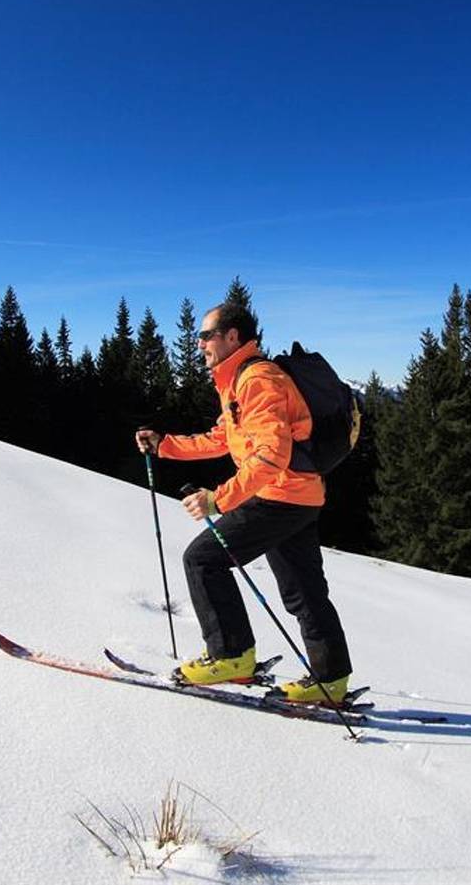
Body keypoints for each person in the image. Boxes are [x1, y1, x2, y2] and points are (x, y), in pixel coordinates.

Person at [134, 301, 353, 704]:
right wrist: (165, 446)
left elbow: (272, 456)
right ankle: (331, 679)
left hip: (279, 495)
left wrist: (219, 499)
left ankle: (231, 654)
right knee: (304, 592)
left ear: (232, 336)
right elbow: (222, 439)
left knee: (202, 560)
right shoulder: (237, 382)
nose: (199, 343)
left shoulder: (257, 380)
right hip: (298, 496)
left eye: (206, 335)